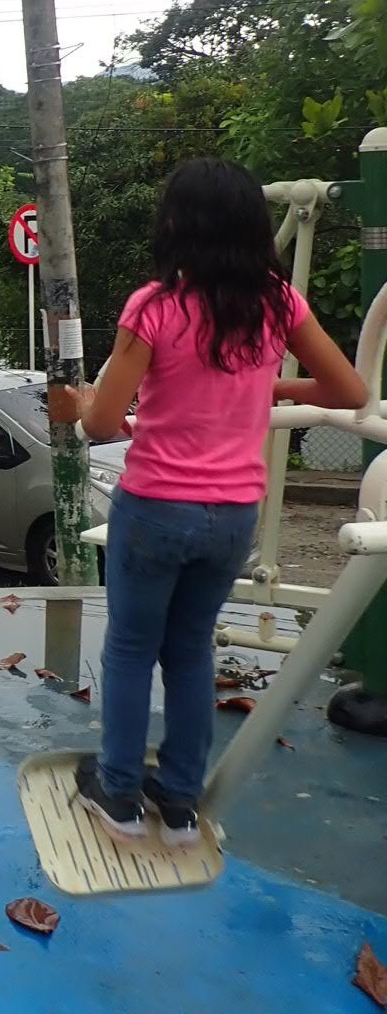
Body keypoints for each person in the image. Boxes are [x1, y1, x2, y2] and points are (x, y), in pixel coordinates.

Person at [70, 157, 367, 844]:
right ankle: (178, 807)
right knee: (192, 650)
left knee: (131, 649)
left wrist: (86, 401)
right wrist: (275, 387)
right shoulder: (277, 303)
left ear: (176, 224)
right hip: (234, 515)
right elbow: (350, 392)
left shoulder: (153, 307)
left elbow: (103, 425)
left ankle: (117, 798)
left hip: (155, 509)